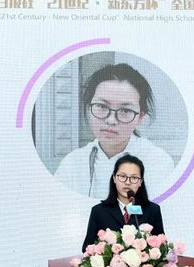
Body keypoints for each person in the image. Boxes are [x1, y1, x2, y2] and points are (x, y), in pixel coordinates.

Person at [55, 63, 174, 199]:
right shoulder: (72, 163)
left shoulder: (157, 162)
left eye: (125, 110)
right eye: (102, 106)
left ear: (140, 117)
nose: (111, 120)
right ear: (89, 107)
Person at [82, 155, 165, 252]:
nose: (127, 182)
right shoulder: (99, 211)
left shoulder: (153, 210)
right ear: (114, 178)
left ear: (140, 182)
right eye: (122, 176)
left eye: (134, 178)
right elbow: (87, 249)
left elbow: (162, 248)